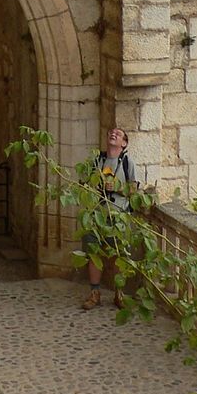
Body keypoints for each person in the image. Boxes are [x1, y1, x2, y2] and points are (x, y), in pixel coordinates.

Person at [80, 126, 139, 310]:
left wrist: (117, 187)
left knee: (119, 255)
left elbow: (134, 190)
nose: (113, 134)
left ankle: (119, 294)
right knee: (93, 253)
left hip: (119, 215)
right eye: (111, 132)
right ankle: (95, 293)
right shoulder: (97, 160)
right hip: (96, 214)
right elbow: (84, 184)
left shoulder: (128, 162)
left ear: (124, 143)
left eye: (119, 134)